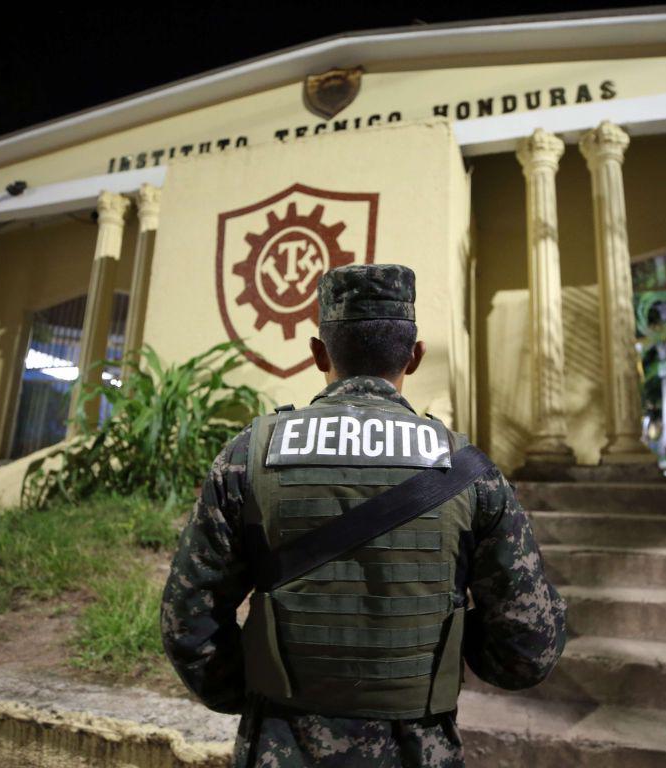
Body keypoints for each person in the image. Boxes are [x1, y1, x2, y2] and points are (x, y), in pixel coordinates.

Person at [161, 263, 566, 768]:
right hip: (417, 752)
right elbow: (528, 648)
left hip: (279, 747)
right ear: (414, 357)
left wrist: (250, 695)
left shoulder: (249, 456)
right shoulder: (468, 471)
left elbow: (187, 622)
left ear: (318, 353)